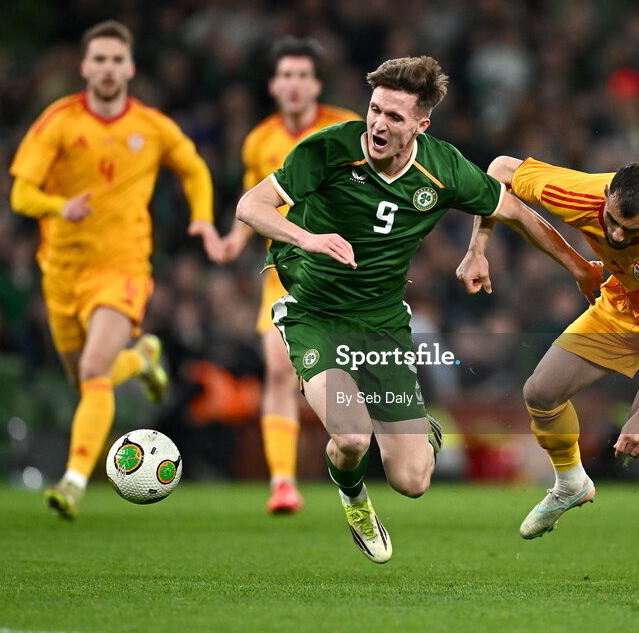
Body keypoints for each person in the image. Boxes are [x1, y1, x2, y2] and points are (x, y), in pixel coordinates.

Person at [236, 56, 602, 563]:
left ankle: (418, 432)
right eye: (375, 110)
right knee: (350, 437)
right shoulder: (329, 149)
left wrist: (577, 267)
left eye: (395, 117)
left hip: (382, 324)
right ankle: (355, 500)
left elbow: (509, 207)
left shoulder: (441, 167)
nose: (378, 125)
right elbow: (249, 206)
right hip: (314, 315)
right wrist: (308, 237)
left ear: (421, 125)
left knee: (412, 480)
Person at [457, 157, 639, 589]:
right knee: (540, 392)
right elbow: (499, 171)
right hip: (624, 303)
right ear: (606, 197)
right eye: (613, 222)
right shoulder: (580, 193)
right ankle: (570, 482)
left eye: (631, 230)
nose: (617, 235)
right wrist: (477, 249)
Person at [10, 20, 222, 519]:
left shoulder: (150, 125)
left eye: (115, 60)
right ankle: (144, 357)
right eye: (98, 59)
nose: (107, 68)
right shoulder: (59, 121)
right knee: (87, 379)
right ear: (84, 67)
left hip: (122, 266)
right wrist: (60, 208)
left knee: (91, 371)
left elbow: (193, 167)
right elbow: (20, 193)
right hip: (62, 271)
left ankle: (73, 481)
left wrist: (201, 218)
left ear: (130, 68)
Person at [217, 36, 360, 515]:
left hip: (342, 271)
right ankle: (283, 483)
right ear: (274, 85)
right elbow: (255, 200)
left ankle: (352, 462)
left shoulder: (347, 128)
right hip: (283, 272)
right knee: (278, 371)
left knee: (347, 380)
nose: (295, 85)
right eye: (287, 76)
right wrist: (235, 242)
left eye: (304, 75)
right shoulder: (258, 140)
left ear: (316, 83)